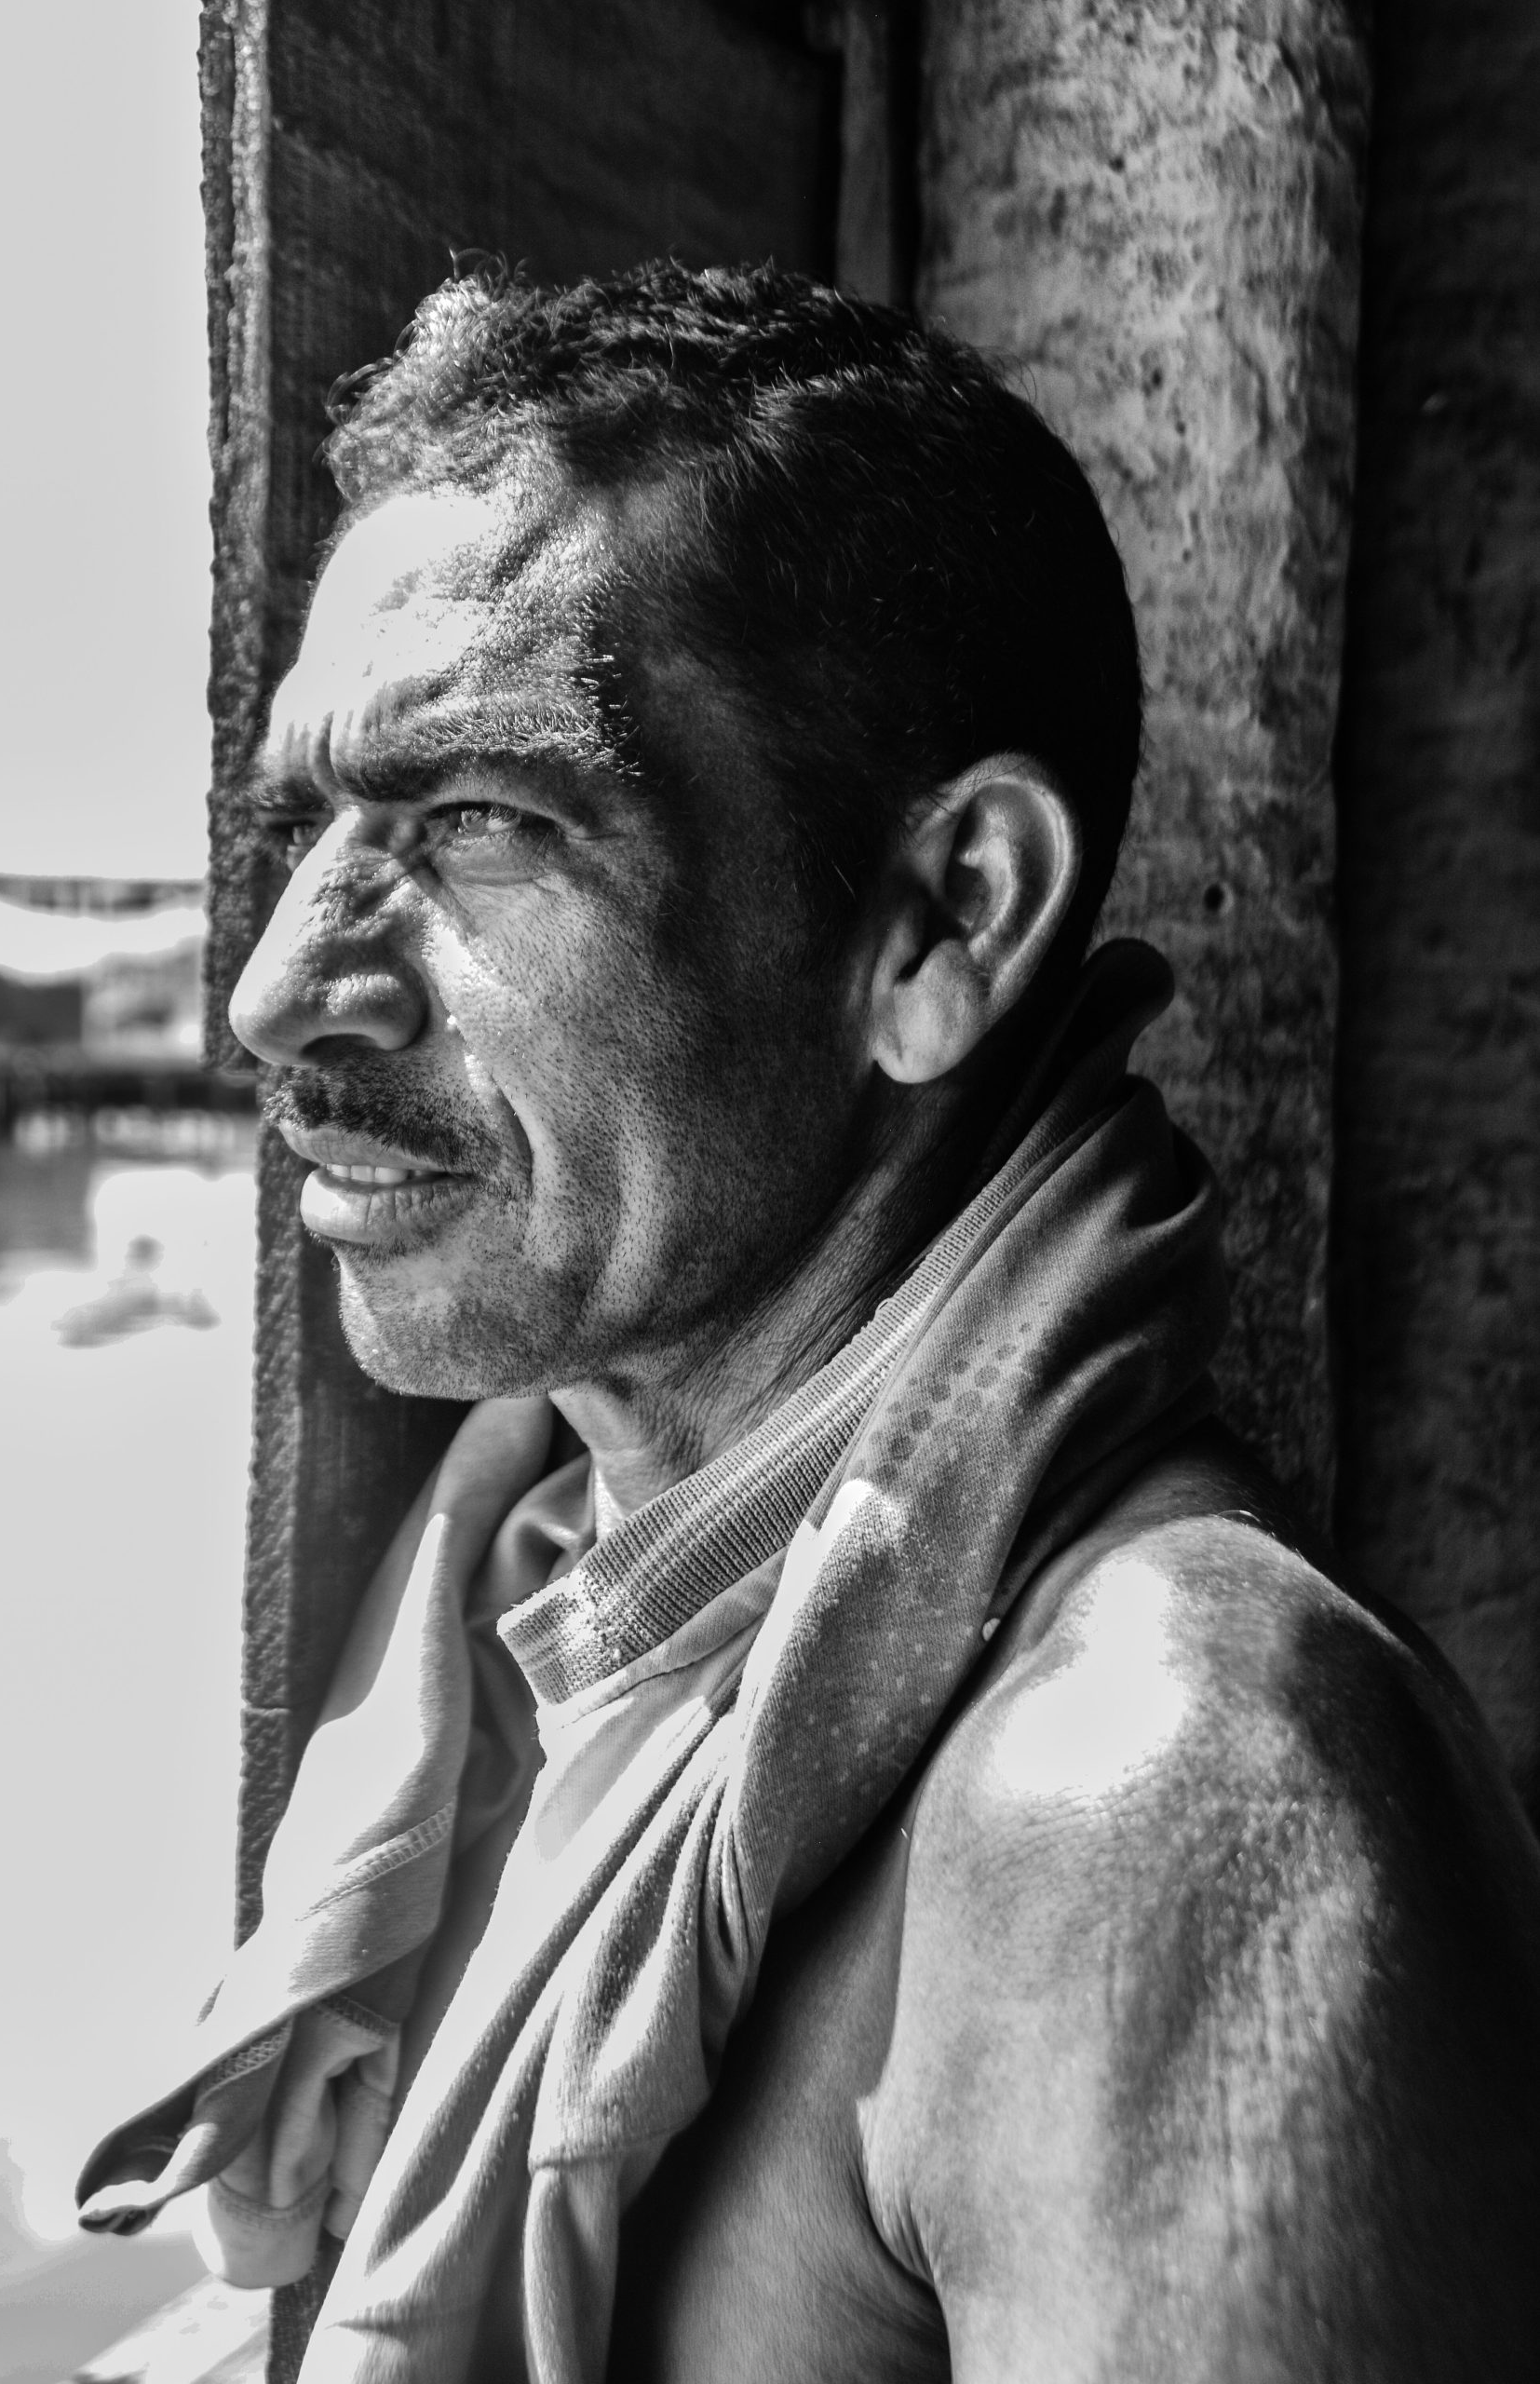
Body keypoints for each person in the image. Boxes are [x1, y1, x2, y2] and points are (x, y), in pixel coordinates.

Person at [80, 262, 1540, 2382]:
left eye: (483, 822)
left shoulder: (1157, 1806)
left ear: (945, 917)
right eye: (316, 821)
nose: (283, 989)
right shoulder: (524, 1623)